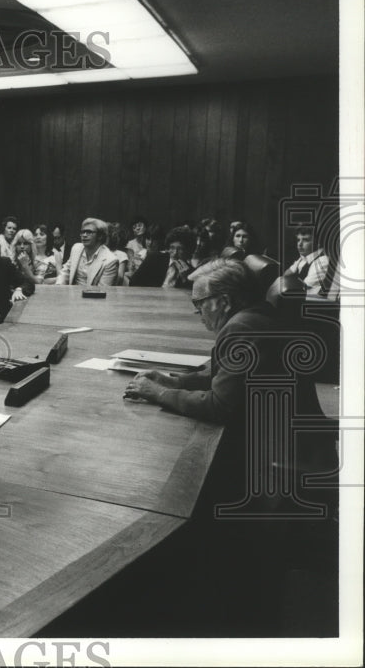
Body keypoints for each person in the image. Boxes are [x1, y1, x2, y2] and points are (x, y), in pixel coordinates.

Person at [123, 259, 337, 632]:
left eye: (199, 303)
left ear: (223, 300)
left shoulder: (241, 328)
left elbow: (220, 405)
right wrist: (175, 380)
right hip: (289, 443)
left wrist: (157, 392)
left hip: (277, 461)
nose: (197, 312)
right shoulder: (252, 318)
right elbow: (223, 373)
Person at [56, 218, 119, 286]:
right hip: (71, 291)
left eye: (89, 232)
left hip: (94, 292)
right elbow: (66, 272)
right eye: (82, 232)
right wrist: (59, 286)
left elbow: (102, 290)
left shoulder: (110, 260)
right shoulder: (76, 248)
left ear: (100, 236)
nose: (84, 235)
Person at [283, 225, 338, 300]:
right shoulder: (304, 257)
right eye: (298, 240)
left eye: (306, 240)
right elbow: (285, 275)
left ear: (318, 243)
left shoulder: (322, 261)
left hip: (308, 301)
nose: (300, 244)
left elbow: (302, 288)